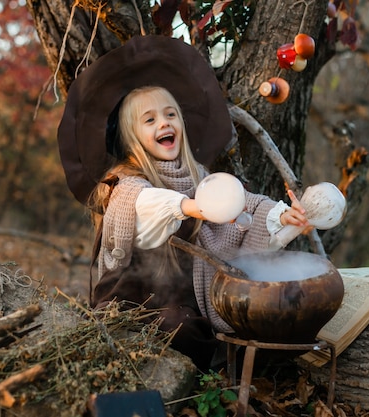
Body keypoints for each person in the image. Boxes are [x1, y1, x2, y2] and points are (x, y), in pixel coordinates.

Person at [57, 36, 310, 370]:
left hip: (185, 296)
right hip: (135, 298)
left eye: (170, 114)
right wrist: (189, 207)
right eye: (149, 120)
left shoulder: (199, 179)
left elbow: (244, 204)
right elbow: (146, 205)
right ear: (131, 137)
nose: (164, 123)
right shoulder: (127, 184)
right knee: (175, 327)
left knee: (239, 330)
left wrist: (282, 216)